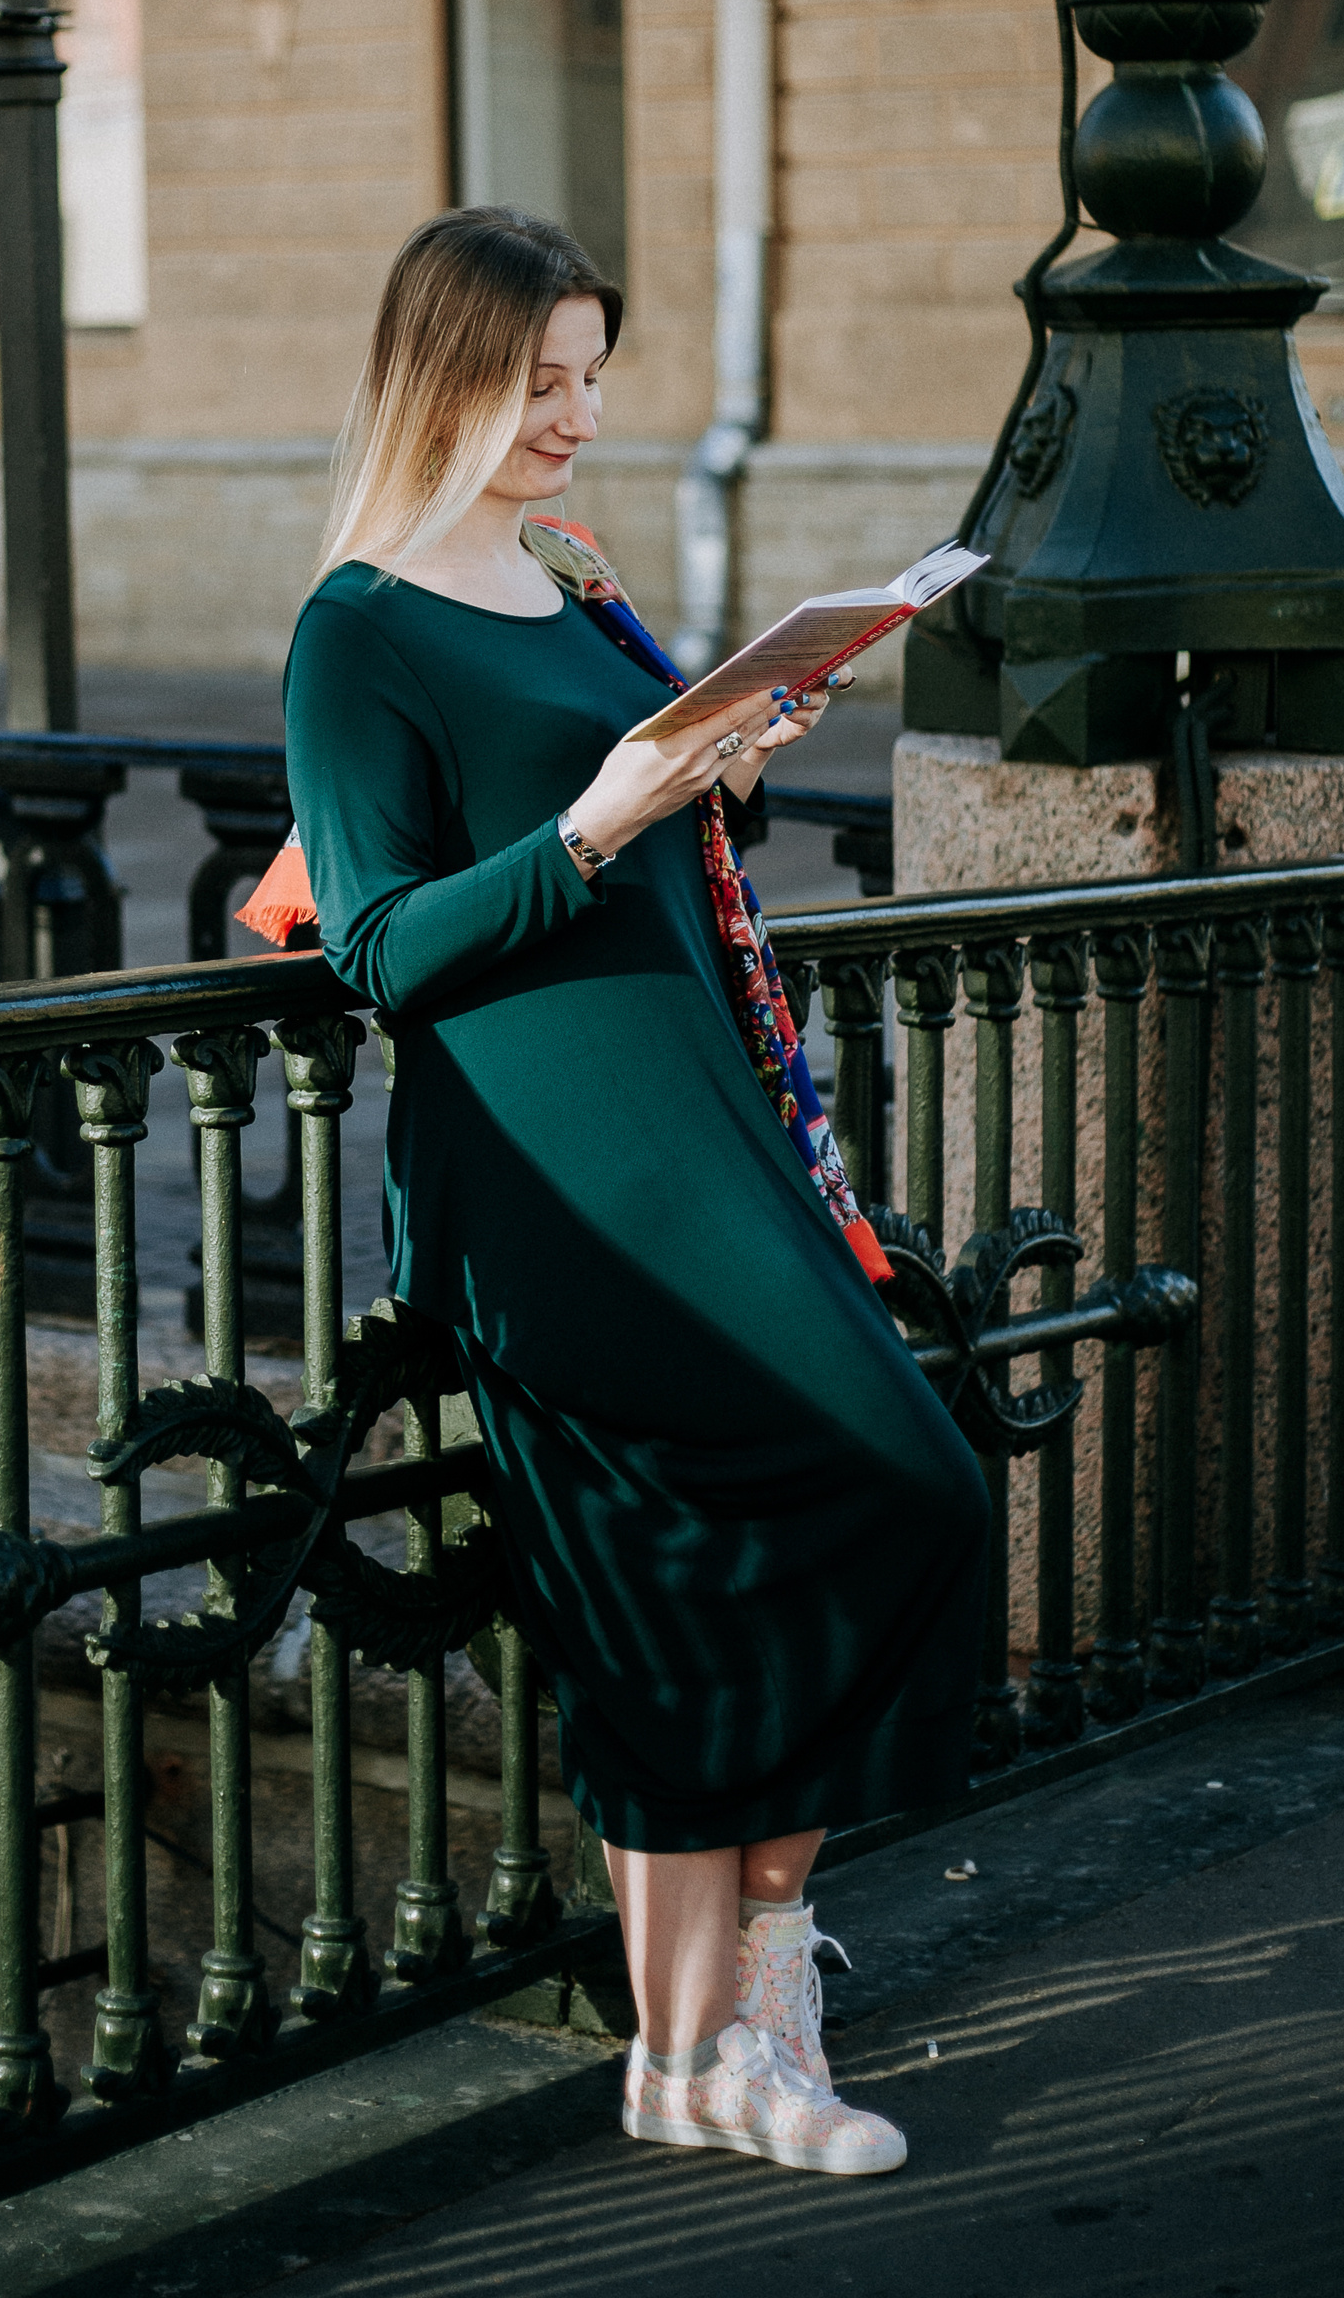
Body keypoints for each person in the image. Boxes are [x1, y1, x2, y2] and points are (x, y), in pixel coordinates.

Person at [274, 206, 989, 2177]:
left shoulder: (572, 574)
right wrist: (594, 822)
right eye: (539, 381)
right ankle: (692, 2056)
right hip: (552, 1181)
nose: (576, 416)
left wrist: (731, 751)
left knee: (910, 1484)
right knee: (673, 1574)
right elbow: (379, 946)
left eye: (592, 376)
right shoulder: (357, 629)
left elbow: (661, 802)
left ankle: (757, 1982)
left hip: (702, 1125)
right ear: (443, 378)